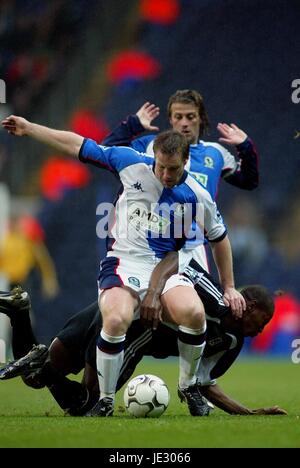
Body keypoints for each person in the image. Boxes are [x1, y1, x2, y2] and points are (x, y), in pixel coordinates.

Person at [1, 115, 245, 418]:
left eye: (174, 169)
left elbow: (218, 239)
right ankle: (104, 400)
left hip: (165, 267)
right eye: (161, 167)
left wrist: (230, 286)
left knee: (194, 315)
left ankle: (188, 385)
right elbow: (78, 144)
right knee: (115, 320)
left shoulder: (197, 196)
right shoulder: (130, 162)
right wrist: (30, 127)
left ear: (186, 162)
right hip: (123, 263)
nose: (166, 175)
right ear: (154, 156)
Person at [0, 258, 286, 417]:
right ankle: (45, 365)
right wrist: (154, 292)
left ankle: (19, 311)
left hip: (112, 309)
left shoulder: (231, 343)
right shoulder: (210, 295)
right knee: (86, 404)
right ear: (246, 306)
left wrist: (247, 413)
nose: (261, 330)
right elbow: (178, 262)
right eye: (261, 321)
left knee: (34, 378)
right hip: (127, 328)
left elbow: (204, 382)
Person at [102, 90, 259, 270]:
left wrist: (245, 147)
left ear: (201, 118)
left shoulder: (216, 153)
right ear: (170, 120)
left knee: (197, 298)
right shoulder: (152, 145)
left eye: (190, 116)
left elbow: (249, 181)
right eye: (178, 117)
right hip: (150, 241)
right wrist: (133, 125)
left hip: (193, 247)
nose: (184, 123)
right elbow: (108, 153)